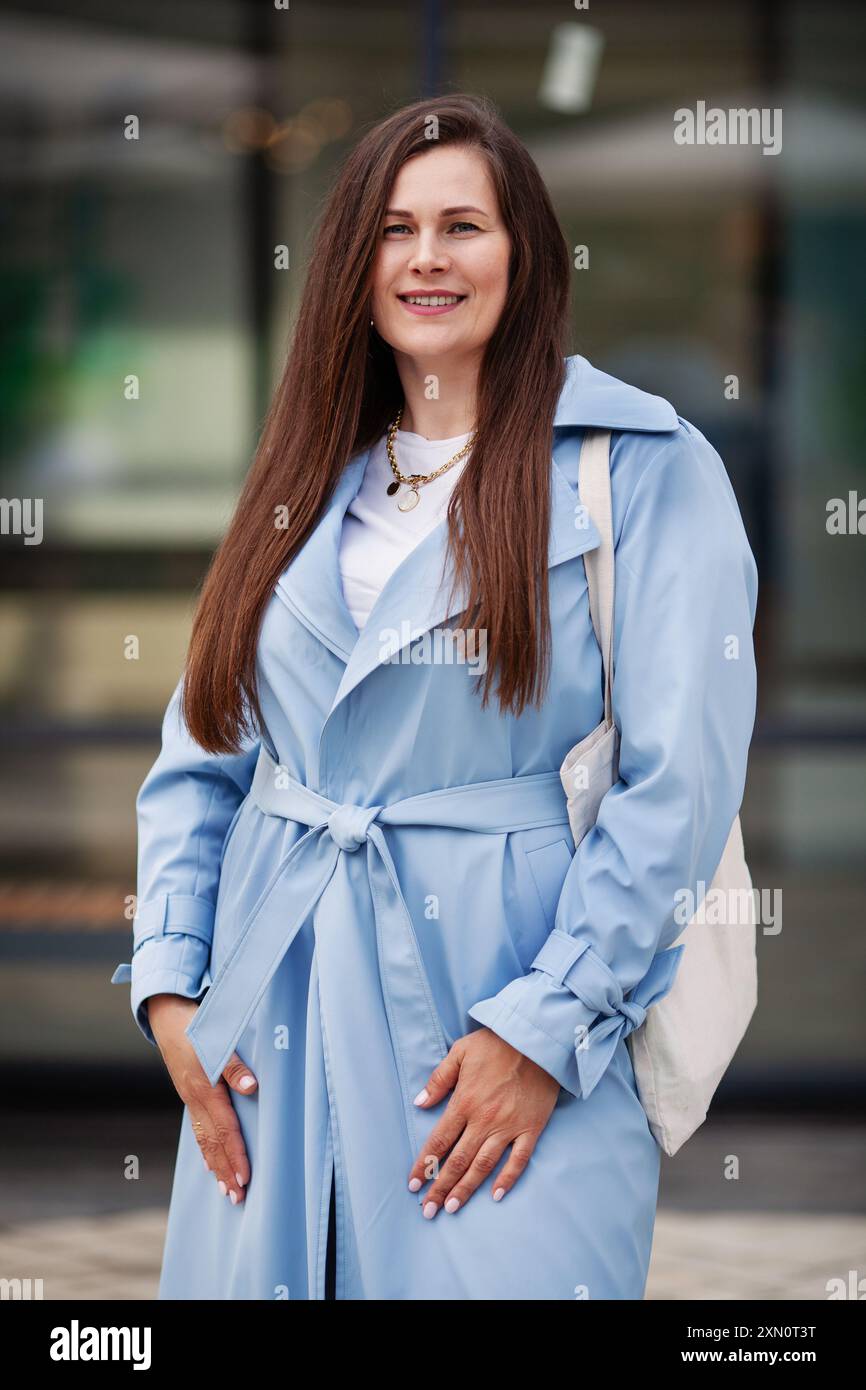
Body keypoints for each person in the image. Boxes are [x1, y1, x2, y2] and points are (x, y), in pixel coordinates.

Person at [111, 93, 758, 1300]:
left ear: (523, 252)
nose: (425, 258)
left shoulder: (644, 470)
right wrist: (172, 990)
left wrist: (543, 1031)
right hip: (272, 1040)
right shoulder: (299, 474)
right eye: (394, 229)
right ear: (353, 265)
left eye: (462, 224)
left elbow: (677, 789)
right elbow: (202, 754)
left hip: (503, 1031)